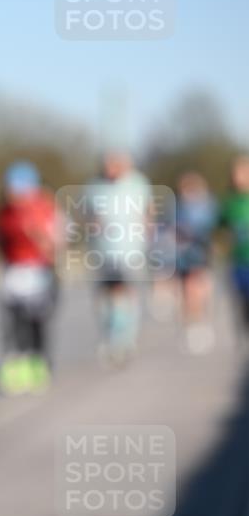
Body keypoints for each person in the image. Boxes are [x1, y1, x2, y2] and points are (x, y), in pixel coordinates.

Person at [0, 162, 59, 394]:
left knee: (37, 322)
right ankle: (17, 366)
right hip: (13, 272)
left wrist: (42, 237)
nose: (14, 194)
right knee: (13, 323)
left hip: (39, 273)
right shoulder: (3, 212)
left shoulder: (46, 208)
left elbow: (57, 243)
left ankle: (38, 364)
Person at [85, 152, 153, 364]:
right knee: (105, 295)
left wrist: (146, 230)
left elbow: (149, 212)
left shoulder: (139, 184)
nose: (111, 168)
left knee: (125, 292)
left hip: (130, 250)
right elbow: (87, 214)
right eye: (108, 164)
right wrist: (93, 225)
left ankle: (125, 338)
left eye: (116, 164)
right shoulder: (94, 186)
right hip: (103, 250)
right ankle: (109, 336)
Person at [174, 171, 218, 353]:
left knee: (204, 290)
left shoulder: (209, 206)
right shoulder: (178, 208)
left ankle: (202, 321)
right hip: (185, 256)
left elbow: (214, 227)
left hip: (203, 254)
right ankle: (193, 327)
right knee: (189, 292)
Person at [219, 154, 249, 335]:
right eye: (236, 173)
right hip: (238, 260)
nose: (239, 177)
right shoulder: (228, 202)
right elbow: (219, 229)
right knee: (243, 302)